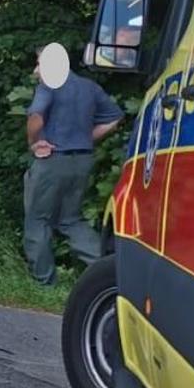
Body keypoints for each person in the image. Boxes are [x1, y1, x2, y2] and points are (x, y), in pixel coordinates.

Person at [24, 50, 123, 286]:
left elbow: (36, 115)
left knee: (38, 221)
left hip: (53, 162)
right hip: (82, 161)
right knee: (71, 220)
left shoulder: (49, 85)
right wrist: (87, 138)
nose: (36, 71)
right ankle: (114, 272)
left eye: (39, 64)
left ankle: (44, 283)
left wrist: (34, 142)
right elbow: (114, 118)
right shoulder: (89, 87)